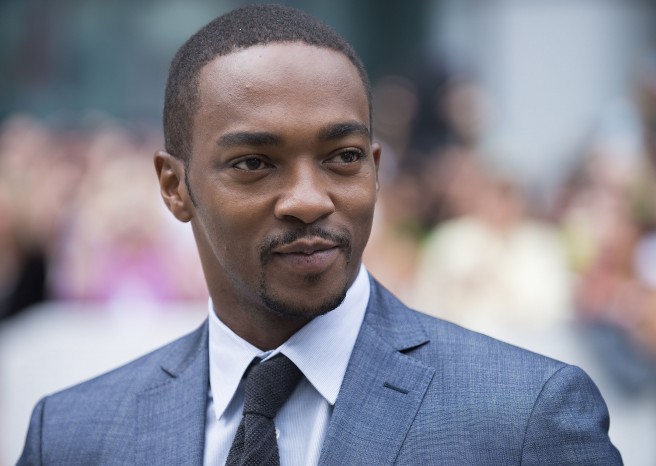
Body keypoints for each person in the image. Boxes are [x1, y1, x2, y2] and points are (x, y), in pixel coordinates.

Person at [17, 4, 622, 465]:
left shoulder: (527, 416)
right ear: (175, 188)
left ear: (378, 171)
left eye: (343, 157)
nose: (309, 199)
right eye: (254, 162)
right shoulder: (73, 435)